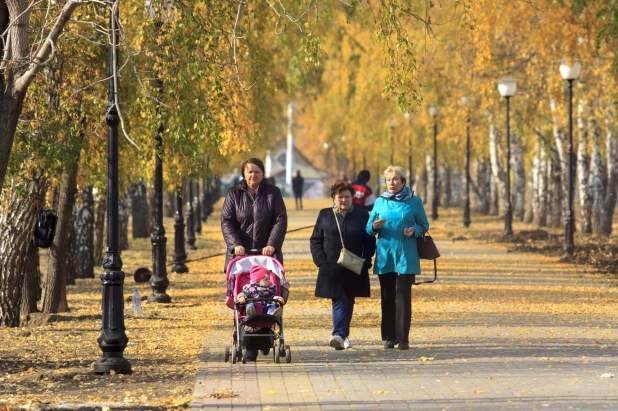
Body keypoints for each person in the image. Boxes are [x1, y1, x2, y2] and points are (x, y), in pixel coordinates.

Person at [221, 157, 288, 360]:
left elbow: (280, 220)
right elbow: (227, 221)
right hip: (240, 258)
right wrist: (235, 245)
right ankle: (249, 344)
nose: (253, 175)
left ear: (263, 174)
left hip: (266, 255)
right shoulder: (234, 193)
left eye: (257, 172)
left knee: (267, 294)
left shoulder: (273, 193)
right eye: (249, 171)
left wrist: (272, 244)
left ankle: (266, 336)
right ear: (244, 173)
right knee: (244, 299)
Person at [366, 165, 429, 351]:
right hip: (386, 255)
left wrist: (415, 230)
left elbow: (424, 225)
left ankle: (403, 339)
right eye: (388, 180)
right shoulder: (379, 202)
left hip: (406, 256)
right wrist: (375, 227)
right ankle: (389, 337)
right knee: (387, 296)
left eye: (395, 179)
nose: (391, 183)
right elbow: (368, 229)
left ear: (403, 182)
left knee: (403, 296)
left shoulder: (414, 202)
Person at [310, 182, 376, 350]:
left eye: (347, 197)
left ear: (352, 198)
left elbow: (369, 240)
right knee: (339, 298)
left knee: (350, 299)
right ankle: (338, 334)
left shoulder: (362, 215)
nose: (344, 200)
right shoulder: (325, 214)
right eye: (340, 197)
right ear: (334, 198)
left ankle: (343, 336)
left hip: (355, 266)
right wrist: (321, 261)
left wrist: (366, 260)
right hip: (331, 266)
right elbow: (315, 239)